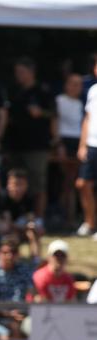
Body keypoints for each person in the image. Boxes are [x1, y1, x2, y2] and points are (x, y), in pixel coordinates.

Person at [4, 57, 55, 219]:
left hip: (37, 146)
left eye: (22, 72)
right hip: (15, 144)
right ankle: (14, 217)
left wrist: (41, 113)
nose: (18, 75)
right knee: (14, 184)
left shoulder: (43, 91)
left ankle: (38, 220)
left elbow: (54, 115)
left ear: (31, 72)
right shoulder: (14, 91)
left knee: (37, 185)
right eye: (17, 72)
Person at [56, 74, 83, 228]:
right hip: (64, 142)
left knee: (72, 183)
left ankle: (71, 218)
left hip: (77, 142)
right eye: (72, 84)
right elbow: (56, 122)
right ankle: (65, 217)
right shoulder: (59, 100)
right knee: (66, 183)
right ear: (66, 85)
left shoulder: (80, 103)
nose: (75, 87)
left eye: (78, 84)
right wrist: (58, 143)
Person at [76, 62, 97, 240]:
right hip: (91, 145)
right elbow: (87, 118)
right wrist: (82, 145)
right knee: (83, 184)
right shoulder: (92, 90)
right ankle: (90, 223)